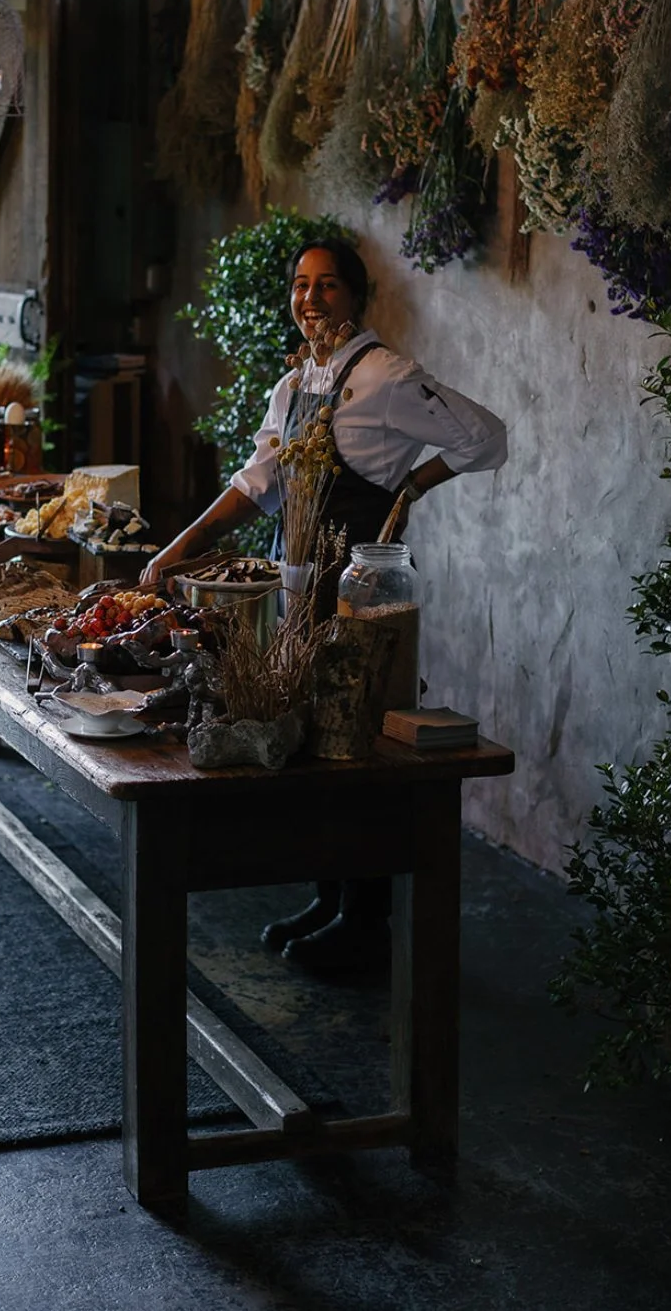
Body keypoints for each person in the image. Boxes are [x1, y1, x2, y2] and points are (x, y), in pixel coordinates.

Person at [141, 238, 507, 973]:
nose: (311, 299)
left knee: (360, 742)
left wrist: (410, 487)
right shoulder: (296, 384)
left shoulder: (386, 376)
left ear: (357, 297)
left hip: (362, 592)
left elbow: (485, 436)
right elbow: (257, 486)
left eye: (328, 285)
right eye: (301, 285)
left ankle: (367, 922)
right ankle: (332, 896)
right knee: (313, 737)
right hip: (299, 583)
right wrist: (176, 549)